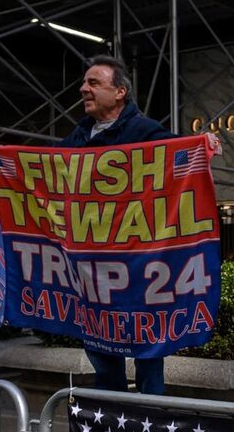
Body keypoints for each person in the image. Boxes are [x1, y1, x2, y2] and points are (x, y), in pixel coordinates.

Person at [59, 55, 176, 395]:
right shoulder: (77, 137)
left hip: (137, 260)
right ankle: (111, 414)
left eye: (94, 83)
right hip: (92, 265)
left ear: (120, 91)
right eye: (84, 83)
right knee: (96, 338)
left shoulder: (146, 132)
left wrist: (205, 145)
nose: (84, 89)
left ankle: (151, 417)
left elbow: (180, 156)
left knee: (147, 340)